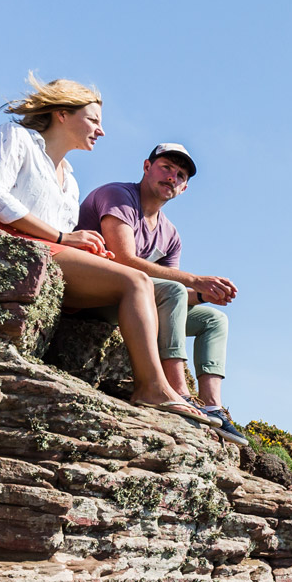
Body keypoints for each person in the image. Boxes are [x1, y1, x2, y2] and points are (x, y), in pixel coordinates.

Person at [0, 76, 214, 425]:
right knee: (136, 281)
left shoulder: (70, 180)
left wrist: (84, 249)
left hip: (51, 256)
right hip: (10, 247)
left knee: (141, 283)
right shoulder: (12, 136)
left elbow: (65, 238)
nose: (100, 131)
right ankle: (152, 388)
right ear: (63, 113)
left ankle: (180, 394)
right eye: (94, 120)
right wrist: (61, 237)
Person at [75, 146, 244, 442]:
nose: (172, 177)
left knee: (214, 320)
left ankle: (213, 406)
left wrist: (204, 295)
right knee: (176, 288)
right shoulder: (119, 196)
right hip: (92, 294)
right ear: (146, 166)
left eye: (180, 175)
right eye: (166, 168)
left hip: (134, 303)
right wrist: (194, 279)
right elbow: (122, 259)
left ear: (185, 187)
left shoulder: (170, 235)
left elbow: (170, 296)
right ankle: (178, 391)